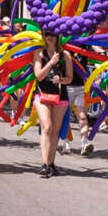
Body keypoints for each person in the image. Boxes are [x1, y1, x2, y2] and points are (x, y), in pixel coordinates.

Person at [33, 30, 74, 177]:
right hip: (42, 94)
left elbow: (70, 78)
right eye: (46, 34)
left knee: (55, 130)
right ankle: (44, 164)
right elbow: (38, 76)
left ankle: (51, 163)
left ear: (58, 36)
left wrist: (61, 80)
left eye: (52, 34)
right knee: (47, 127)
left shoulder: (66, 55)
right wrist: (51, 63)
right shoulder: (39, 54)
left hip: (60, 96)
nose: (49, 37)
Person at [62, 53, 94, 157]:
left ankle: (84, 144)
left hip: (81, 87)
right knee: (65, 116)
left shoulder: (84, 46)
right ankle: (65, 143)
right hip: (67, 86)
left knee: (83, 117)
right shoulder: (66, 47)